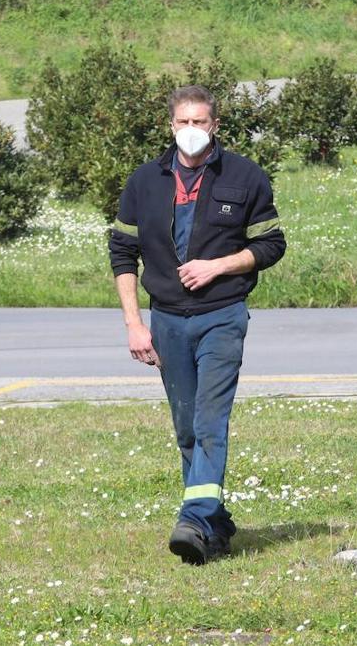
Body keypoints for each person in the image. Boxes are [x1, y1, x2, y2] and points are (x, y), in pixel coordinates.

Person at [109, 85, 286, 565]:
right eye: (183, 122)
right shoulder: (144, 182)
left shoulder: (245, 176)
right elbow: (123, 253)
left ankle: (195, 514)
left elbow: (271, 245)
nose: (191, 131)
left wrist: (219, 266)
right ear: (171, 126)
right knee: (186, 427)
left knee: (210, 421)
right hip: (165, 321)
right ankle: (213, 526)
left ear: (215, 126)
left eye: (200, 122)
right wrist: (134, 324)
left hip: (222, 317)